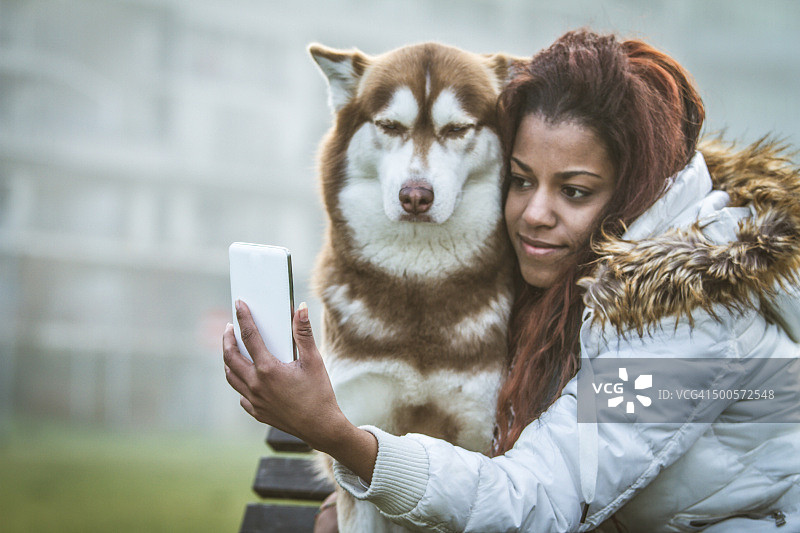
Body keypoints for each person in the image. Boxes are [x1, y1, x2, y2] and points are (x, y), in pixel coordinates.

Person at [223, 30, 800, 532]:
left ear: (635, 190)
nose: (534, 214)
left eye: (574, 191)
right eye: (521, 180)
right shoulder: (561, 271)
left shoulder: (693, 328)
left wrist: (342, 438)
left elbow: (542, 498)